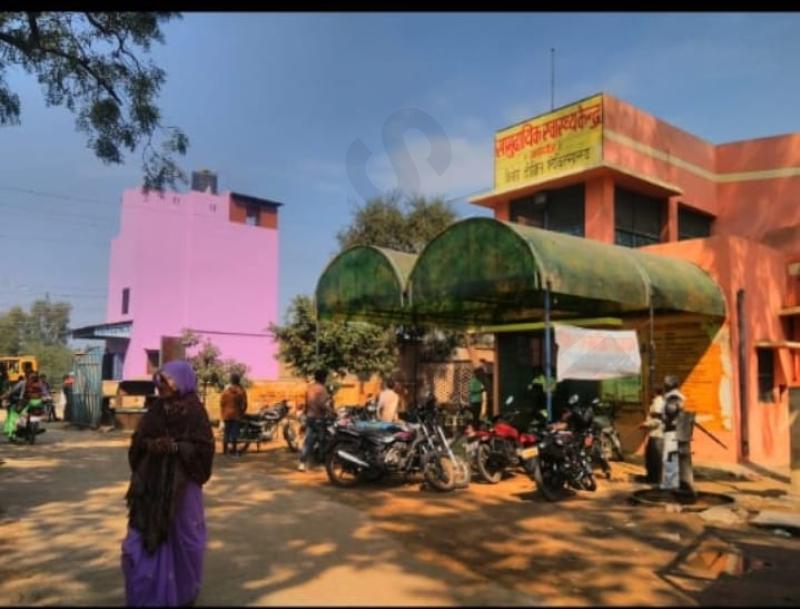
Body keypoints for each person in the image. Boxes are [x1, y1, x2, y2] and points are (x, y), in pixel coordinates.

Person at [120, 360, 215, 607]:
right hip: (152, 485)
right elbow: (138, 441)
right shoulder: (156, 409)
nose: (161, 386)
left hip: (183, 489)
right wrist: (151, 445)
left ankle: (183, 594)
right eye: (159, 381)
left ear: (182, 382)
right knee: (136, 545)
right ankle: (147, 597)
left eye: (166, 381)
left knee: (186, 540)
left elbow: (204, 449)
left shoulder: (195, 411)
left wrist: (176, 447)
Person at [298, 369, 332, 472]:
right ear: (323, 378)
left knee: (308, 441)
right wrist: (331, 411)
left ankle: (302, 463)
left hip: (310, 417)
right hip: (319, 418)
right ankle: (320, 463)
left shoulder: (310, 388)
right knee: (322, 440)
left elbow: (306, 403)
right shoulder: (322, 389)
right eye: (325, 378)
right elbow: (322, 404)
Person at [640, 386, 665, 484]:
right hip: (656, 435)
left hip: (657, 435)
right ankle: (652, 478)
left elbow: (657, 420)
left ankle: (655, 479)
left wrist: (645, 425)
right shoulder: (660, 402)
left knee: (654, 459)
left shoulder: (658, 403)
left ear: (654, 392)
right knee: (651, 457)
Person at [219, 373, 248, 456]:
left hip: (226, 415)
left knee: (226, 433)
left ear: (231, 380)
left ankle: (225, 451)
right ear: (238, 380)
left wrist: (223, 413)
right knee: (234, 434)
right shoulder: (241, 391)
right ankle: (234, 451)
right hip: (236, 415)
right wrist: (242, 412)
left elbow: (221, 403)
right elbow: (245, 404)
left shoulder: (225, 392)